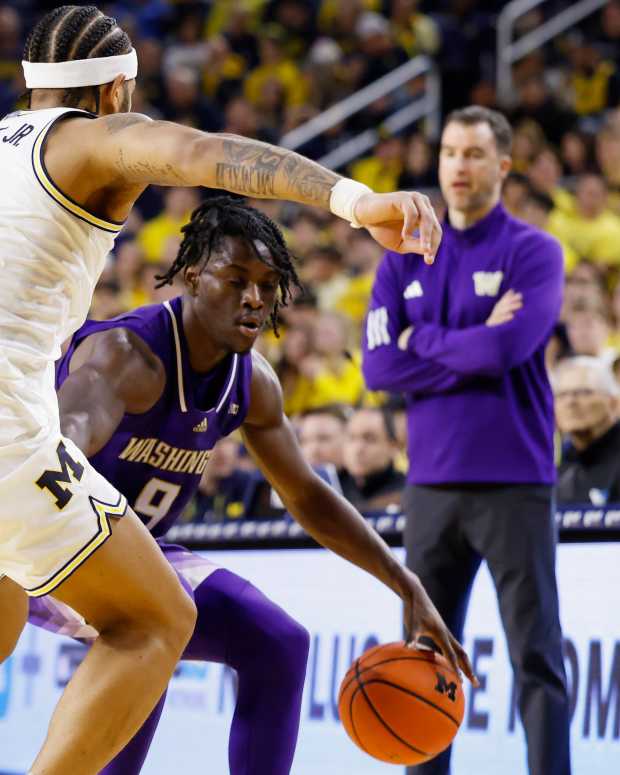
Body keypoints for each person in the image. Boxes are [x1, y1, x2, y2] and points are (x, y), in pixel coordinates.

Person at [0, 5, 444, 774]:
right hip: (16, 434)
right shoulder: (94, 143)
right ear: (116, 92)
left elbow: (306, 493)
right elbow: (205, 152)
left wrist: (401, 578)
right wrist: (354, 201)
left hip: (34, 469)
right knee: (153, 618)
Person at [28, 197, 474, 775]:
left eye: (268, 285)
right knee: (148, 631)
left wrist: (404, 582)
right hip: (50, 535)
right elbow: (58, 448)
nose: (254, 299)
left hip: (135, 554)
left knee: (277, 644)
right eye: (236, 279)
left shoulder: (253, 382)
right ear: (192, 276)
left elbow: (307, 495)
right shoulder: (126, 356)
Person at [362, 106, 571, 775]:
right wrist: (467, 344)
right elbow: (375, 366)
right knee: (422, 661)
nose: (458, 166)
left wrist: (418, 338)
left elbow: (509, 348)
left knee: (536, 655)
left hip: (515, 479)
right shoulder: (401, 258)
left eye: (475, 154)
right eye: (450, 152)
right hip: (428, 485)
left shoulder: (536, 251)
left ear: (503, 166)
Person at [554, 356, 620, 505]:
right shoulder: (557, 467)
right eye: (562, 395)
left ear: (614, 403)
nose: (570, 402)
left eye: (584, 392)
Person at [341, 406, 406, 511]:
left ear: (394, 447)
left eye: (370, 439)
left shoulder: (408, 494)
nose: (358, 449)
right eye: (351, 438)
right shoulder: (334, 490)